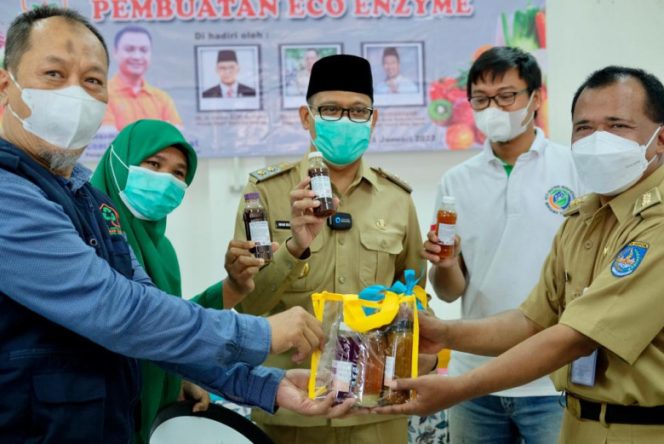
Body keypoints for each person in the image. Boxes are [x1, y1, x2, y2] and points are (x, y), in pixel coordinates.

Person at [0, 6, 353, 441]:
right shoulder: (8, 194)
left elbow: (149, 313)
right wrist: (260, 333)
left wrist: (263, 384)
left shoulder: (92, 201)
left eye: (92, 81)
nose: (75, 95)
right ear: (5, 86)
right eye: (54, 74)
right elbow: (118, 310)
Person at [373, 66, 664, 443]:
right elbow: (533, 320)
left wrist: (462, 386)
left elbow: (576, 337)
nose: (598, 140)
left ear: (659, 139)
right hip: (579, 420)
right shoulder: (583, 216)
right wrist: (444, 333)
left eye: (618, 126)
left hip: (640, 428)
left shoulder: (656, 222)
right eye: (584, 128)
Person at [232, 54, 431, 444]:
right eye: (330, 109)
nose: (344, 120)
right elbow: (247, 306)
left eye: (358, 111)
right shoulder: (267, 194)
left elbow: (415, 296)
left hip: (374, 411)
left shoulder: (396, 198)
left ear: (373, 120)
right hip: (291, 410)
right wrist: (294, 247)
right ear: (306, 117)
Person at [423, 46, 583, 443]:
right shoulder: (456, 182)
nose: (493, 108)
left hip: (551, 379)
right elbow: (449, 290)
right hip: (474, 380)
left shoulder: (574, 168)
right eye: (481, 99)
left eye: (507, 96)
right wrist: (446, 264)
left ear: (535, 98)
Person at [90, 119, 269, 443]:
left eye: (178, 173)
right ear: (119, 162)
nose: (165, 180)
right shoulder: (88, 236)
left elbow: (168, 323)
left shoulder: (163, 250)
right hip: (96, 411)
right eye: (154, 164)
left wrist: (175, 377)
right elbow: (134, 323)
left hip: (151, 406)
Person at [102, 25, 182, 132]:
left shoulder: (162, 99)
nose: (137, 56)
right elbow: (107, 139)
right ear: (115, 53)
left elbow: (176, 136)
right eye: (130, 49)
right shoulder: (102, 94)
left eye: (143, 50)